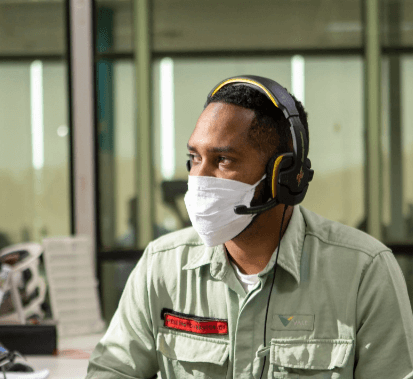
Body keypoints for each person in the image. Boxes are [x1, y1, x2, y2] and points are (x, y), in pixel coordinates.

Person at [85, 76, 413, 378]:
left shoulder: (363, 271)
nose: (198, 179)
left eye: (223, 160)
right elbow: (112, 371)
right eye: (194, 158)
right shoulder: (162, 264)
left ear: (284, 176)